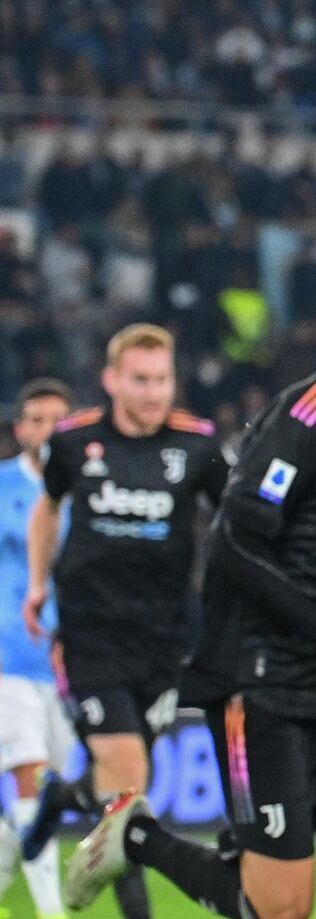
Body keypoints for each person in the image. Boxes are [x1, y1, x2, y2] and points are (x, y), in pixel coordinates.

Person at [61, 254, 316, 919]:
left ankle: (135, 834)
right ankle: (135, 835)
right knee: (280, 909)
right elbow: (231, 547)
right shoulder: (301, 423)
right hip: (265, 688)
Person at [19, 326, 228, 919]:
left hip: (163, 641)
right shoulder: (73, 440)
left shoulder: (197, 446)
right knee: (130, 788)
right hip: (90, 636)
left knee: (117, 783)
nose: (152, 392)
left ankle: (65, 795)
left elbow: (238, 520)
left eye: (161, 379)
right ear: (111, 380)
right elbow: (47, 509)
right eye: (139, 379)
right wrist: (38, 584)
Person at [0, 378, 75, 918]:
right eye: (38, 420)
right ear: (21, 429)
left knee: (57, 790)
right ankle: (52, 913)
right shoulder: (2, 487)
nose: (48, 430)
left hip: (68, 661)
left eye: (58, 421)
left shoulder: (88, 495)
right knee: (29, 773)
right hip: (8, 656)